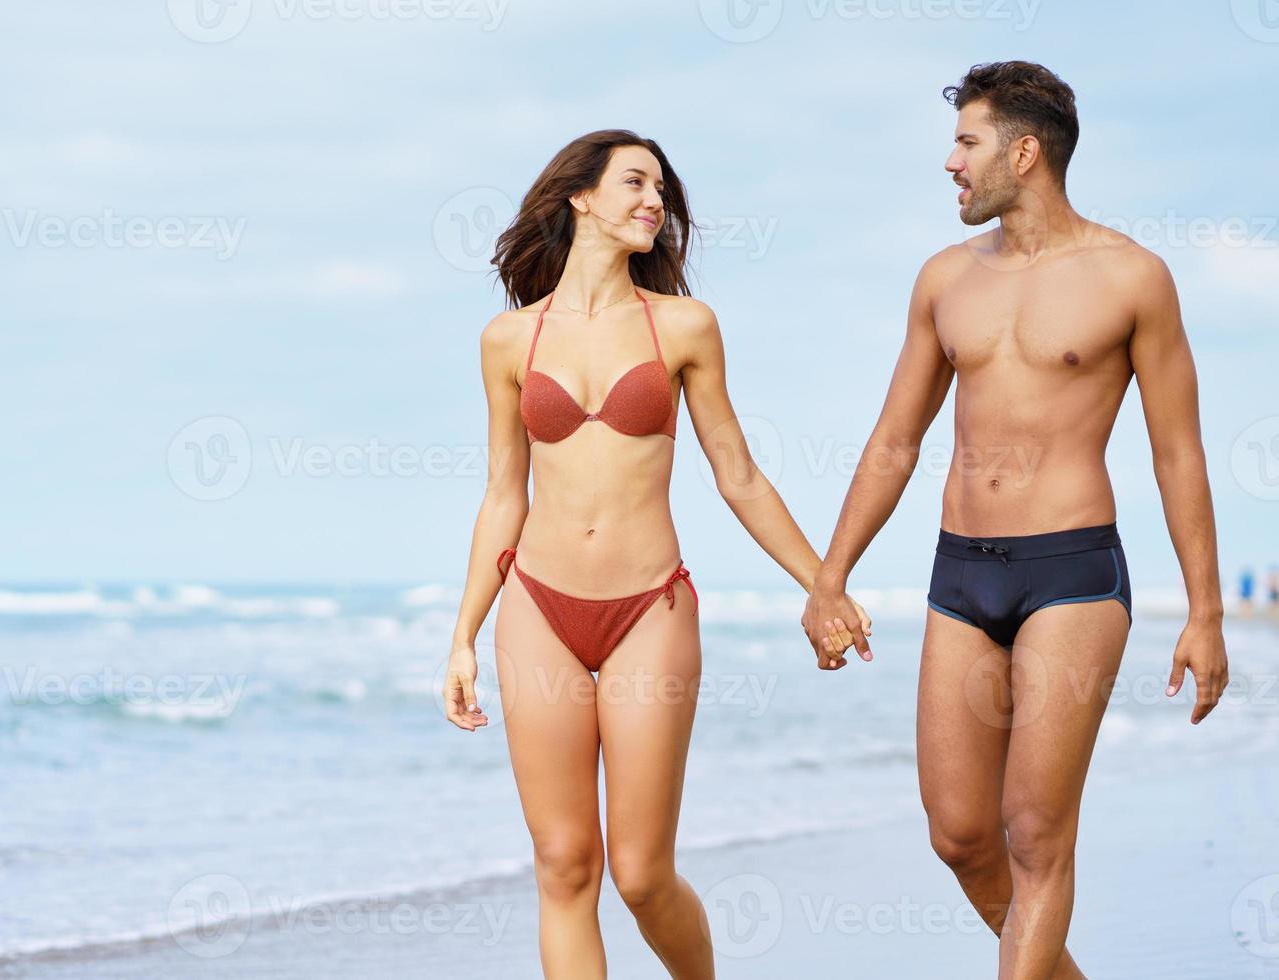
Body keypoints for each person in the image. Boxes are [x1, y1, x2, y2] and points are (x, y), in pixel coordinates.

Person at [800, 62, 1230, 979]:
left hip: (1073, 572)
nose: (949, 162)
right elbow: (894, 441)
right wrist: (829, 577)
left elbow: (1177, 453)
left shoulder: (1132, 278)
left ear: (1024, 153)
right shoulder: (944, 280)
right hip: (962, 574)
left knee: (1037, 835)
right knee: (959, 834)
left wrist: (1205, 614)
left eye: (967, 142)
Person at [443, 129, 869, 979]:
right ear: (580, 197)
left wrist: (825, 584)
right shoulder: (508, 341)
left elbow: (738, 475)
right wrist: (462, 636)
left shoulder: (683, 326)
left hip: (649, 608)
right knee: (565, 864)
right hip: (537, 608)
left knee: (639, 874)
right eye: (635, 183)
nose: (654, 201)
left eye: (661, 190)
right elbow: (503, 496)